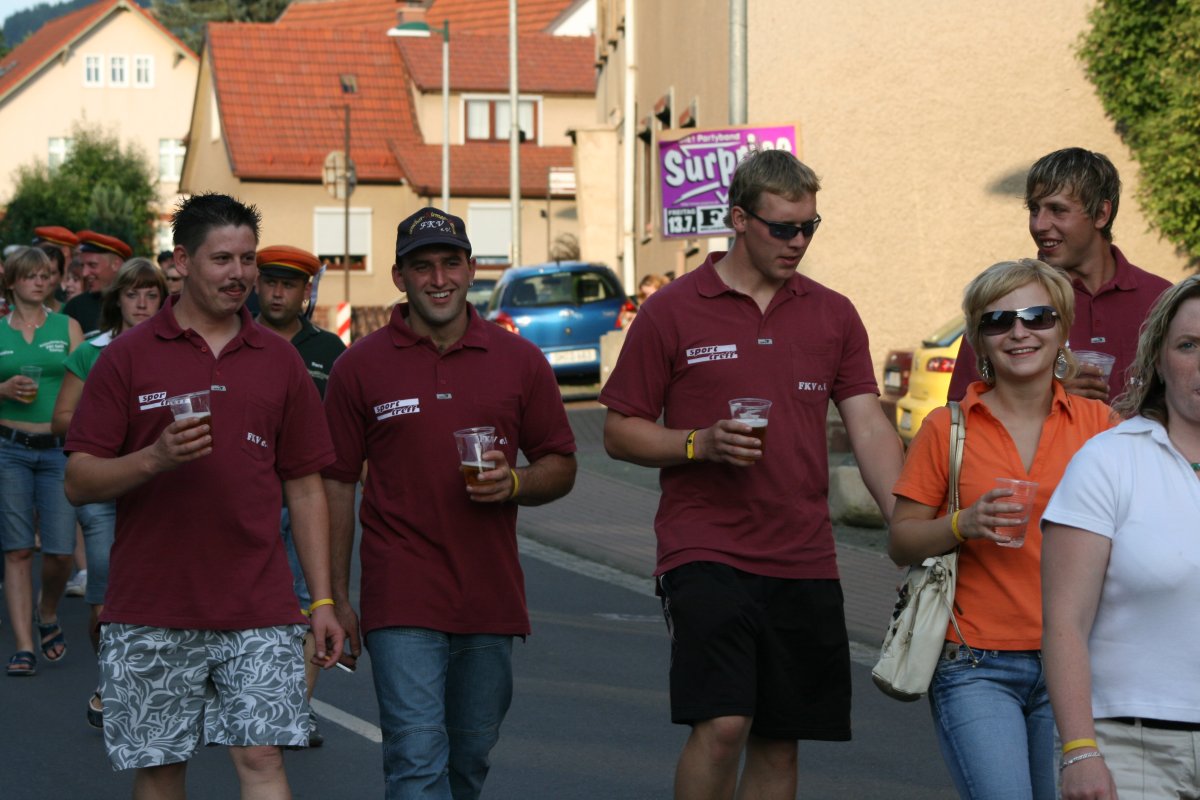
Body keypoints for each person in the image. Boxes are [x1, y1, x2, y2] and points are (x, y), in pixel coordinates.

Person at [600, 149, 904, 799]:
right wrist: (699, 443)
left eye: (809, 227)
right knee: (724, 723)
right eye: (783, 228)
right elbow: (619, 431)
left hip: (803, 554)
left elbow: (869, 427)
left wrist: (906, 521)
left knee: (780, 736)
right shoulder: (672, 310)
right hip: (704, 545)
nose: (798, 242)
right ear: (739, 219)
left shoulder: (833, 314)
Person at [63, 193, 345, 797]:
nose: (239, 274)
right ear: (182, 261)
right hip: (152, 604)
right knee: (162, 767)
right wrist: (154, 458)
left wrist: (322, 601)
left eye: (247, 259)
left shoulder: (280, 360)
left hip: (260, 604)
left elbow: (305, 486)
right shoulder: (128, 356)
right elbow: (79, 479)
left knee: (264, 756)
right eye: (222, 259)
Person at [323, 207, 577, 800]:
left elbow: (562, 464)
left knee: (468, 761)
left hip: (489, 596)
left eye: (450, 263)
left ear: (471, 269)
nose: (438, 279)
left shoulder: (520, 361)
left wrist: (516, 483)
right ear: (399, 277)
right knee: (416, 762)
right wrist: (333, 597)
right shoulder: (359, 366)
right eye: (422, 267)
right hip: (400, 595)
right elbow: (334, 484)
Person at [890, 259, 1113, 799]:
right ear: (979, 340)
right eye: (998, 321)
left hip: (1076, 662)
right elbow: (901, 540)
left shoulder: (1101, 427)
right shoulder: (948, 427)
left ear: (1061, 328)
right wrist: (963, 522)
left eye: (1037, 317)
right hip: (975, 662)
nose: (1019, 332)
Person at [1041, 275, 1200, 800]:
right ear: (1158, 360)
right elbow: (1064, 622)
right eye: (1188, 345)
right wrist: (1079, 751)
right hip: (1131, 750)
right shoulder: (1108, 461)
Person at [947, 148, 1172, 403]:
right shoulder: (1005, 299)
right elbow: (961, 411)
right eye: (1034, 209)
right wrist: (1044, 397)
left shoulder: (1160, 299)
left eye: (1057, 209)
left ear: (1101, 214)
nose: (1039, 225)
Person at [52, 257, 166, 726]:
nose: (142, 303)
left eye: (152, 295)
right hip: (104, 486)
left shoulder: (174, 351)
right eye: (132, 294)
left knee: (157, 590)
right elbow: (61, 419)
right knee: (105, 589)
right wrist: (108, 434)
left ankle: (139, 680)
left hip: (159, 489)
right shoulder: (92, 351)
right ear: (117, 300)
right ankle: (111, 679)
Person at [254, 244, 347, 747]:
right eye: (269, 282)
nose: (277, 293)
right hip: (255, 493)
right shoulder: (238, 339)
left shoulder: (329, 350)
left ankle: (297, 710)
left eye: (288, 285)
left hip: (312, 493)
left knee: (312, 599)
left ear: (305, 292)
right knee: (254, 599)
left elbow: (348, 423)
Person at [0, 247, 84, 677]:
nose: (40, 281)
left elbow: (87, 381)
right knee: (17, 550)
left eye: (45, 275)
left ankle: (46, 611)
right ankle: (24, 645)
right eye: (30, 275)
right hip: (9, 447)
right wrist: (1, 390)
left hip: (56, 449)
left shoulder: (67, 326)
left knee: (60, 553)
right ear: (12, 282)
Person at [63, 231, 132, 336]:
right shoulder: (75, 307)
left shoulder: (139, 304)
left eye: (92, 265)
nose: (85, 273)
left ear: (116, 265)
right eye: (82, 266)